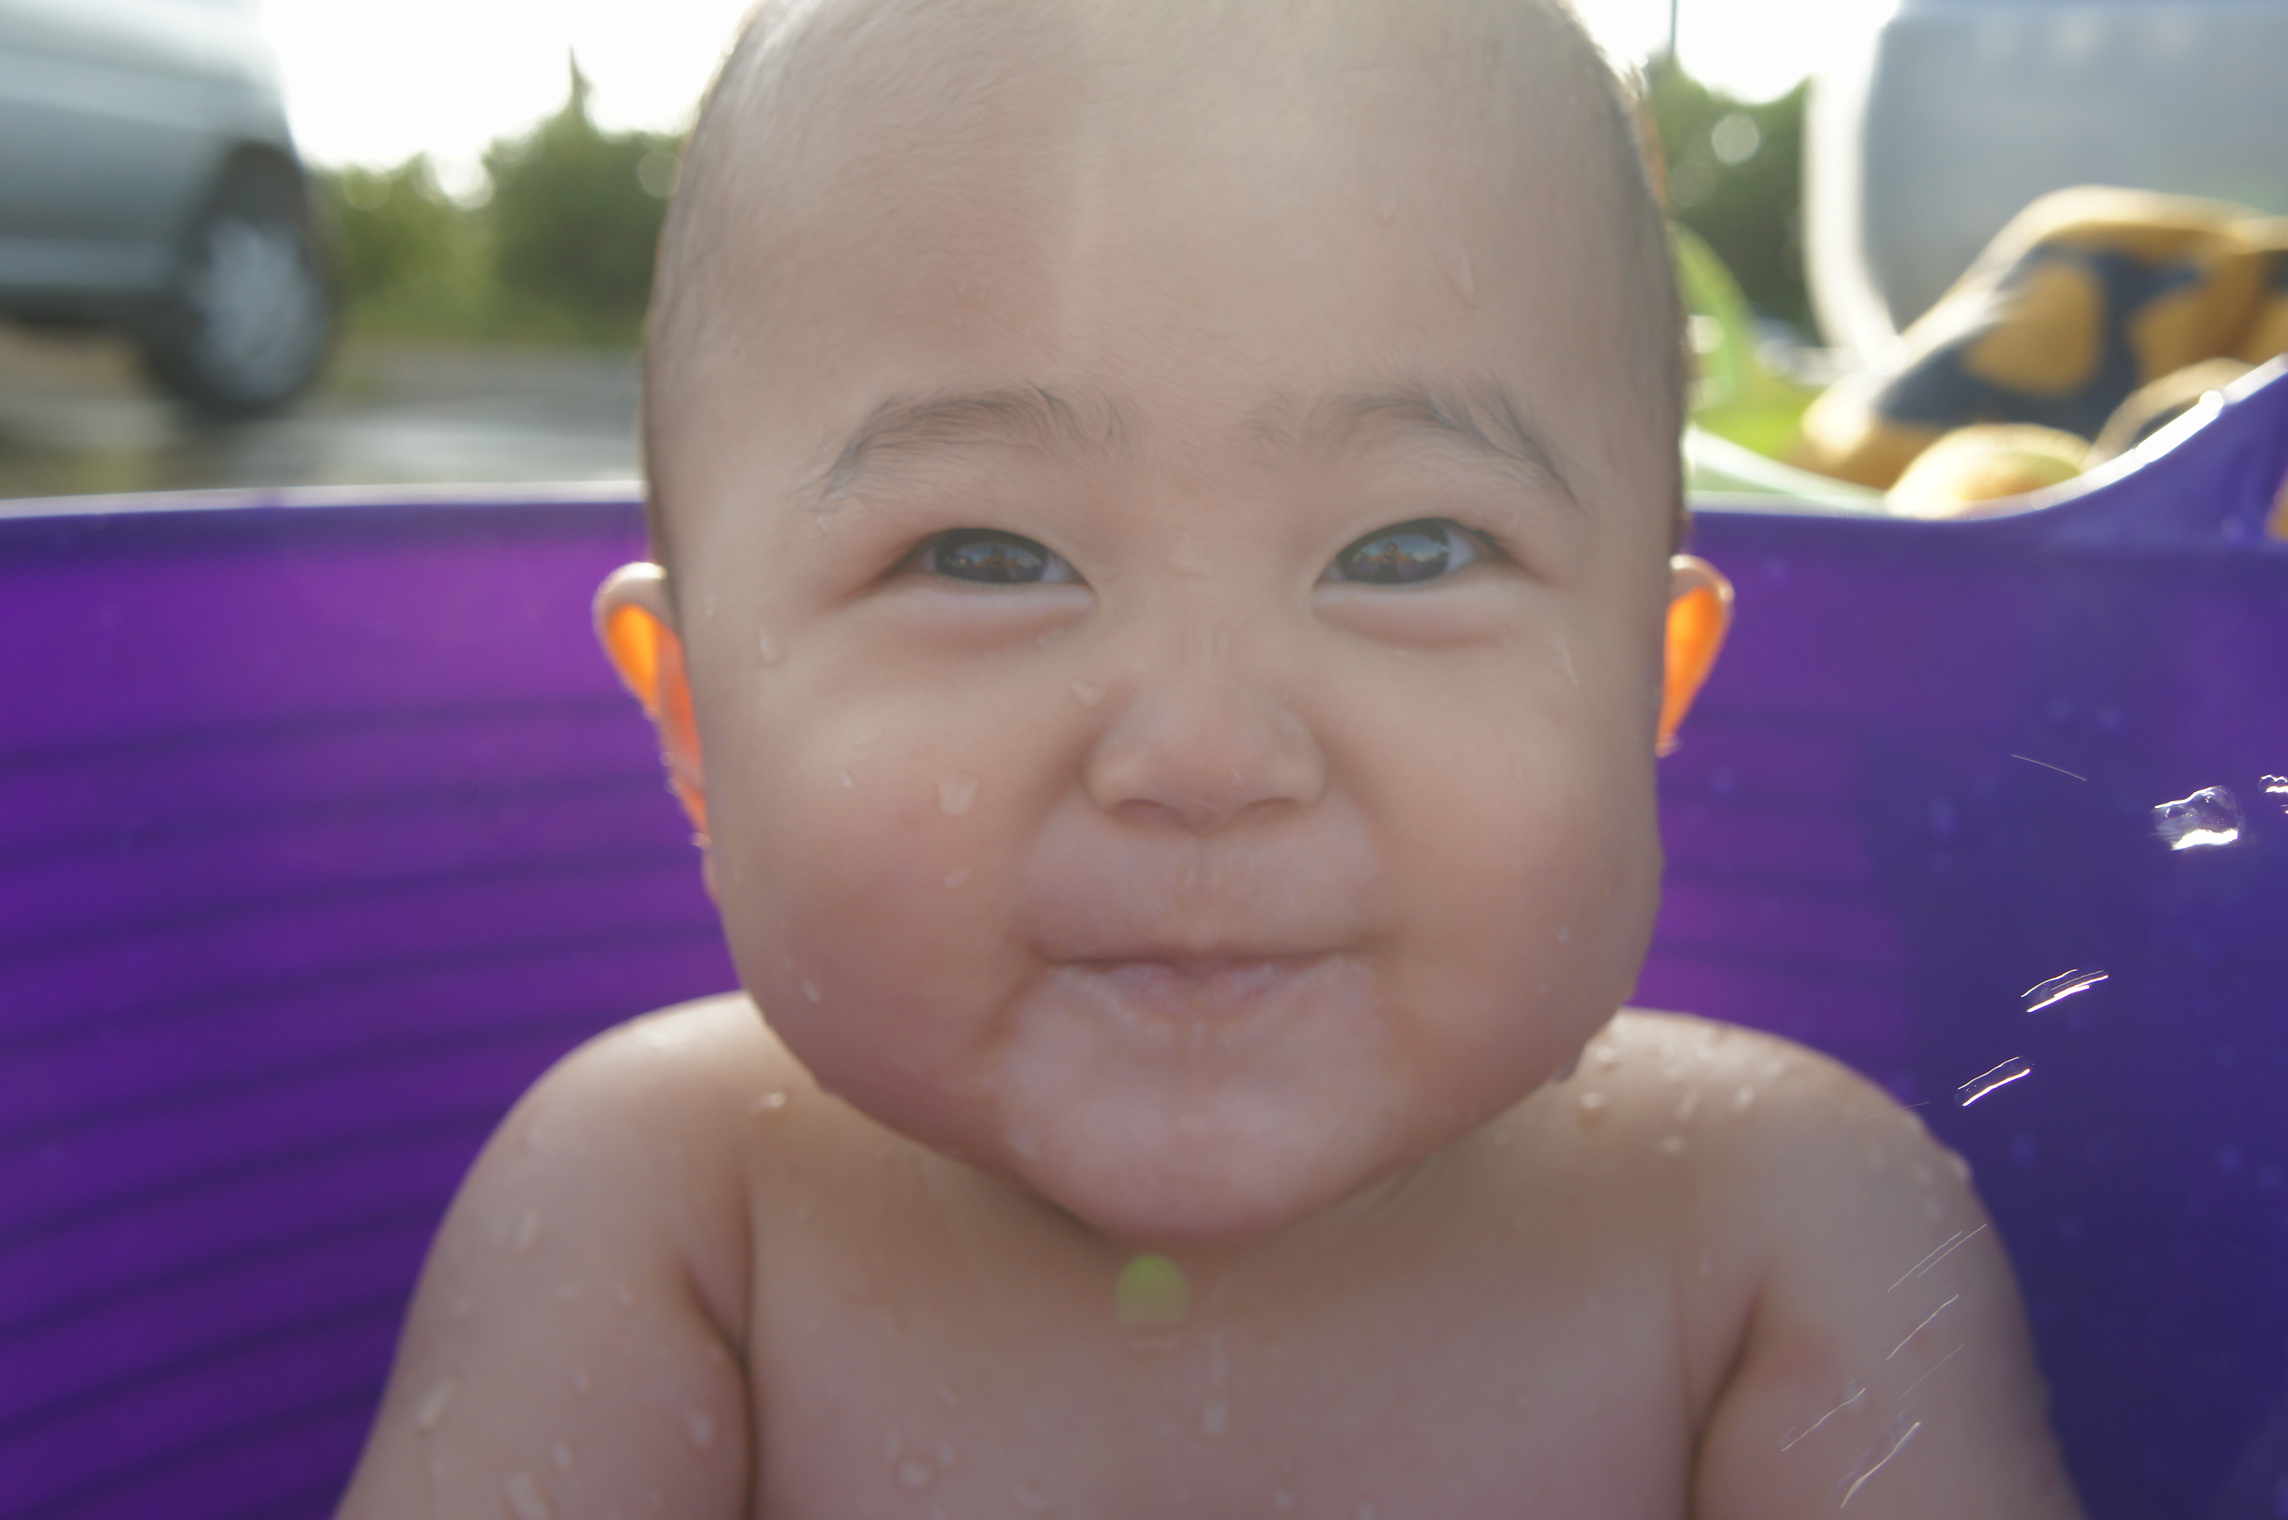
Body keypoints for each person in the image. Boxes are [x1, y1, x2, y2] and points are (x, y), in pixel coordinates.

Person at [338, 1, 2086, 1513]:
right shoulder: (667, 1215)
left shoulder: (1783, 1239)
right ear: (694, 721)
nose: (1203, 752)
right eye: (986, 556)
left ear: (1647, 686)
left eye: (1408, 551)